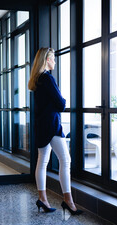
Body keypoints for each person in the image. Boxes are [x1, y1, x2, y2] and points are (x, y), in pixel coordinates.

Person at [28, 47, 82, 216]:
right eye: (53, 58)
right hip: (52, 126)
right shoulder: (48, 79)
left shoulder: (36, 80)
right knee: (65, 160)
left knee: (42, 161)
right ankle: (68, 201)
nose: (55, 61)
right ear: (47, 60)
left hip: (41, 125)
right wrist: (62, 100)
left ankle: (43, 199)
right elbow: (61, 104)